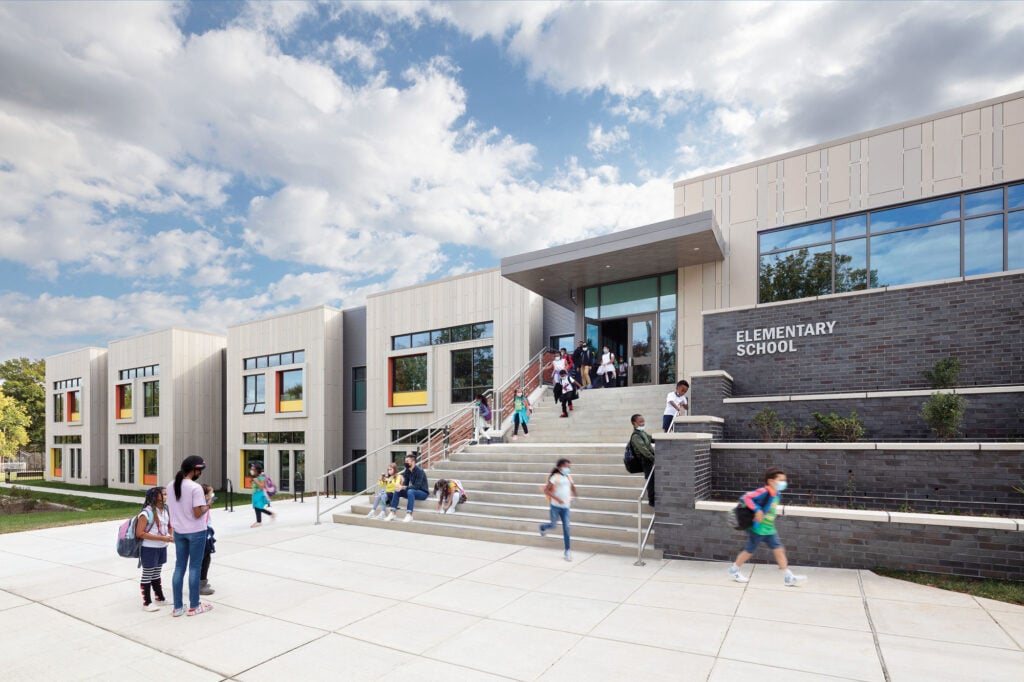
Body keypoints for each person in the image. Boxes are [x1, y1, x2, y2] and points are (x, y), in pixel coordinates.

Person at [728, 467, 808, 587]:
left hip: (769, 529)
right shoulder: (763, 491)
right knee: (749, 551)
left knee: (779, 550)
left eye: (784, 480)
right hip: (757, 528)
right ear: (770, 481)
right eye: (780, 480)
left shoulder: (777, 494)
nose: (783, 483)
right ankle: (734, 570)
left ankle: (788, 577)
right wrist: (757, 510)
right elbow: (747, 498)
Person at [165, 455, 212, 617]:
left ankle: (177, 607)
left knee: (179, 567)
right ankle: (194, 605)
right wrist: (208, 505)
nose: (200, 473)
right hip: (196, 531)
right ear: (194, 470)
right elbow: (198, 513)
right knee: (194, 567)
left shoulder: (171, 485)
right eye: (200, 470)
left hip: (179, 532)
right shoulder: (195, 488)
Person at [136, 486, 172, 612]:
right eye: (164, 494)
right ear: (155, 496)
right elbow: (139, 533)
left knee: (156, 573)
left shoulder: (165, 509)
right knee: (147, 574)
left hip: (162, 547)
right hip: (149, 548)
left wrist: (171, 536)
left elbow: (168, 526)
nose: (167, 496)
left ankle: (160, 598)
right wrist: (163, 538)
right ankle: (147, 603)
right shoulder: (146, 513)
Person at [539, 458, 576, 561]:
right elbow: (547, 490)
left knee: (566, 528)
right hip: (555, 507)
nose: (567, 469)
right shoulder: (555, 477)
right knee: (553, 525)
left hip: (566, 508)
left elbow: (572, 487)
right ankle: (542, 527)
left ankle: (567, 551)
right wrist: (557, 499)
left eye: (569, 467)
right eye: (565, 467)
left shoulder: (568, 477)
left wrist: (574, 494)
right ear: (559, 468)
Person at [386, 453, 430, 522]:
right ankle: (393, 513)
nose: (405, 463)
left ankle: (409, 515)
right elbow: (405, 484)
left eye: (407, 461)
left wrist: (403, 487)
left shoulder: (420, 471)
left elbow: (417, 486)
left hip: (423, 492)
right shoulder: (407, 470)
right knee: (397, 490)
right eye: (405, 461)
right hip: (413, 491)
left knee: (410, 491)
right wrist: (400, 487)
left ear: (413, 462)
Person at [629, 414, 656, 507]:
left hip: (650, 459)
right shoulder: (635, 436)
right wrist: (654, 459)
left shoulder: (643, 433)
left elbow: (652, 438)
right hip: (646, 461)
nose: (643, 423)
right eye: (640, 422)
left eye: (643, 421)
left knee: (654, 479)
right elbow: (643, 450)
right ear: (634, 423)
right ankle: (652, 501)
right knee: (651, 480)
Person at [199, 484, 216, 596]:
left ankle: (203, 582)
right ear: (205, 495)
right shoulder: (201, 506)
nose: (212, 495)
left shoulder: (205, 505)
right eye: (211, 493)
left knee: (207, 557)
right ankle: (200, 585)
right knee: (203, 559)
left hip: (207, 531)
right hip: (202, 533)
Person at [249, 462, 275, 527]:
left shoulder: (260, 477)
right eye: (251, 469)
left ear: (257, 471)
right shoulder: (256, 477)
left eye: (253, 470)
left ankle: (259, 522)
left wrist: (256, 481)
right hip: (256, 494)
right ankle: (271, 514)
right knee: (257, 507)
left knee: (258, 507)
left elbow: (261, 486)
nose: (251, 471)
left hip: (260, 494)